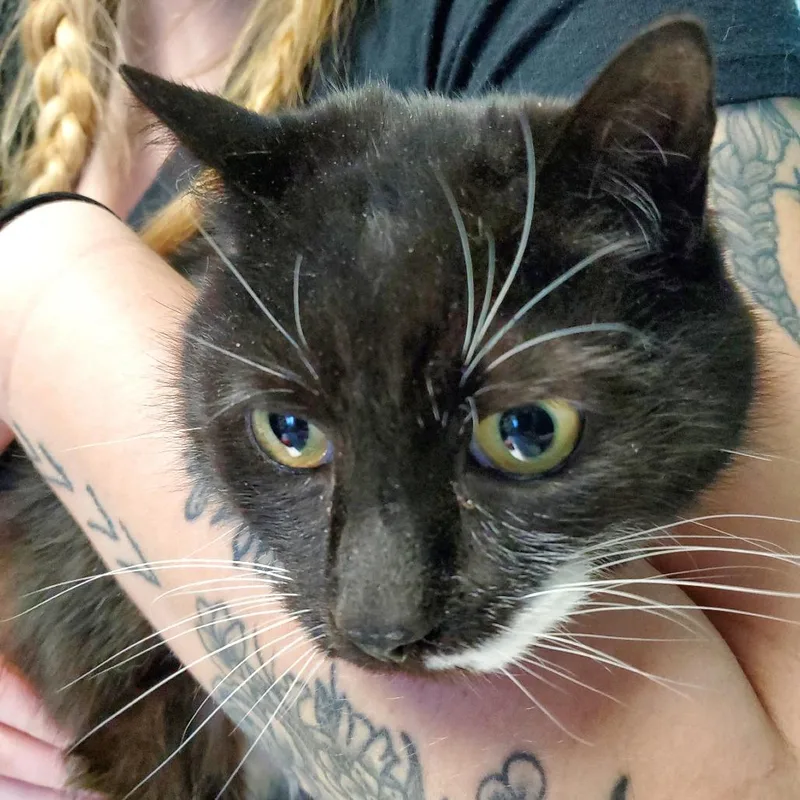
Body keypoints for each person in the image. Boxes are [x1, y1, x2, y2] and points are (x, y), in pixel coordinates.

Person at [0, 1, 799, 798]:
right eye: (291, 433)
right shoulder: (17, 60)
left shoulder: (547, 19)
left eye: (527, 431)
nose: (379, 619)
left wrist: (40, 275)